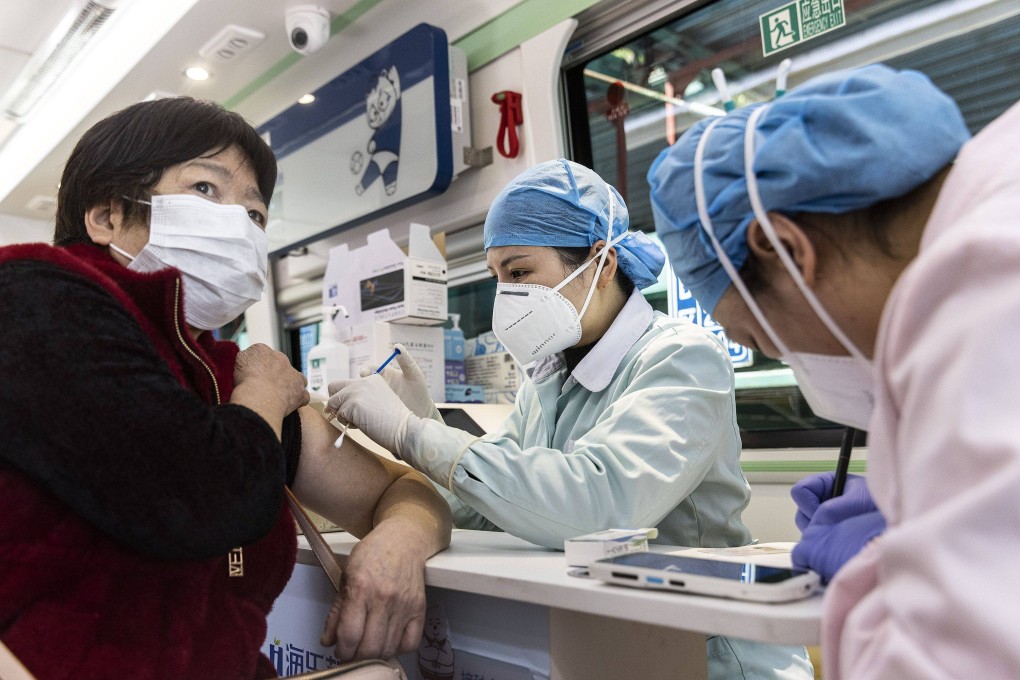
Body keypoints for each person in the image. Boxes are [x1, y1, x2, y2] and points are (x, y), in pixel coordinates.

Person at [0, 97, 452, 679]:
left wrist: (400, 545)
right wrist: (264, 392)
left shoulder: (221, 370)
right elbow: (201, 497)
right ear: (108, 215)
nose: (239, 225)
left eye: (256, 214)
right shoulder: (37, 298)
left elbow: (403, 494)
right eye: (207, 190)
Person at [328, 159, 813, 679]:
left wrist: (411, 433)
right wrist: (420, 419)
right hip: (608, 639)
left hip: (708, 654)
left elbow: (600, 504)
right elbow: (491, 506)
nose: (505, 295)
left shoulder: (680, 357)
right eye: (496, 277)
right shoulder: (551, 376)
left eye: (519, 273)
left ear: (601, 263)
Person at [648, 63, 1020, 677]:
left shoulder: (976, 297)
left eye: (759, 337)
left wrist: (883, 561)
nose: (789, 364)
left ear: (787, 249)